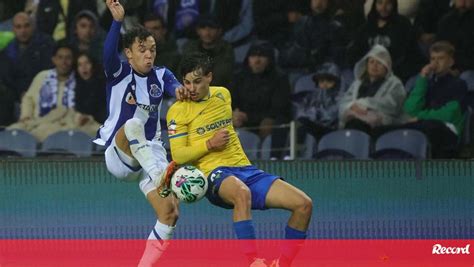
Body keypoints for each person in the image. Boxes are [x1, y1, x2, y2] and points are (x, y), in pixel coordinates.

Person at [166, 52, 313, 267]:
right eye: (187, 83)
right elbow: (179, 155)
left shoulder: (223, 95)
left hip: (246, 170)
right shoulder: (177, 111)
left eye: (197, 81)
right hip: (213, 174)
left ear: (209, 77)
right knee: (241, 193)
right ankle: (253, 261)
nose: (191, 88)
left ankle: (282, 264)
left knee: (304, 205)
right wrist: (209, 144)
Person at [93, 1, 188, 266]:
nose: (149, 55)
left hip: (151, 152)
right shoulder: (118, 72)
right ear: (129, 53)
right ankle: (161, 176)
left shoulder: (161, 75)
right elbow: (107, 53)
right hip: (120, 153)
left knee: (170, 213)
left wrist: (181, 92)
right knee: (134, 124)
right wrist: (117, 21)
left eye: (153, 50)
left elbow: (175, 87)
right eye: (142, 50)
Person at [7, 43, 99, 141]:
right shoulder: (42, 76)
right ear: (54, 59)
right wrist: (26, 116)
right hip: (37, 122)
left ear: (73, 61)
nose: (64, 62)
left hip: (66, 125)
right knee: (12, 131)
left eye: (68, 58)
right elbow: (28, 98)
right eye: (60, 57)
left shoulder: (79, 80)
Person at [339, 45, 406, 134]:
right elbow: (343, 102)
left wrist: (364, 104)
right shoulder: (358, 83)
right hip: (353, 122)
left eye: (379, 62)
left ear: (386, 66)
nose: (374, 65)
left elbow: (391, 105)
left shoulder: (395, 83)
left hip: (383, 128)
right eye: (371, 62)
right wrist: (351, 105)